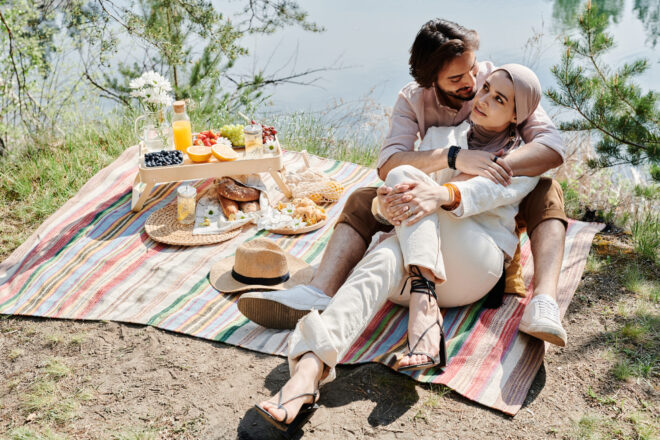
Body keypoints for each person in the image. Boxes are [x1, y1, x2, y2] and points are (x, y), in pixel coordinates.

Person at [238, 18, 568, 348]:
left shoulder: (500, 81)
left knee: (546, 189)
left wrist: (487, 168)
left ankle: (545, 302)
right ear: (432, 82)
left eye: (475, 72)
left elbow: (552, 148)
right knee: (371, 197)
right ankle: (320, 303)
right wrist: (451, 160)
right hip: (436, 202)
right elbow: (390, 164)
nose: (474, 86)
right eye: (458, 78)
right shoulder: (416, 102)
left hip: (477, 225)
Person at [255, 63, 550, 430]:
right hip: (415, 274)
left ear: (517, 114)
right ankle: (307, 374)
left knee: (404, 187)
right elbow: (394, 206)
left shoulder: (524, 157)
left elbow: (481, 194)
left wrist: (436, 193)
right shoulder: (443, 138)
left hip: (474, 264)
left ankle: (420, 306)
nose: (484, 98)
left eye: (499, 98)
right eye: (486, 88)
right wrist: (384, 204)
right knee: (387, 248)